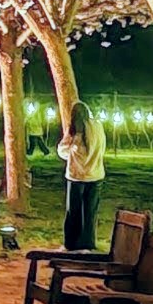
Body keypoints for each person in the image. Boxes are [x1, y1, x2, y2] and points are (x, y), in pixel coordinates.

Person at [56, 99, 110, 256]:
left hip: (77, 177)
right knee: (90, 212)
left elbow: (62, 150)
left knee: (73, 211)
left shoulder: (75, 131)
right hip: (96, 175)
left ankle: (70, 244)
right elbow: (102, 148)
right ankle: (88, 243)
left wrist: (72, 155)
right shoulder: (98, 126)